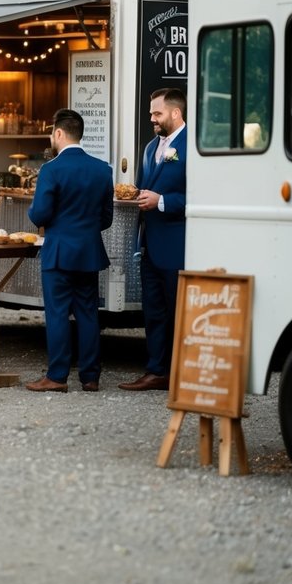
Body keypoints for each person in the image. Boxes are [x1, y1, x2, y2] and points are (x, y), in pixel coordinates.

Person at [25, 109, 114, 393]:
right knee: (88, 313)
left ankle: (57, 376)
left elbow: (39, 214)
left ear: (59, 134)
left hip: (59, 252)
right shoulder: (103, 169)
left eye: (52, 133)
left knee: (58, 313)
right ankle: (90, 377)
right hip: (88, 251)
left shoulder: (51, 169)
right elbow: (106, 219)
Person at [119, 87, 187, 391]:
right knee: (154, 311)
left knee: (178, 312)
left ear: (175, 113)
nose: (152, 119)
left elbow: (201, 198)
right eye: (151, 114)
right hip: (148, 244)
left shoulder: (193, 147)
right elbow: (149, 185)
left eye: (157, 113)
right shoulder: (149, 148)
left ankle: (182, 374)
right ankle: (156, 370)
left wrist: (161, 201)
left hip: (178, 244)